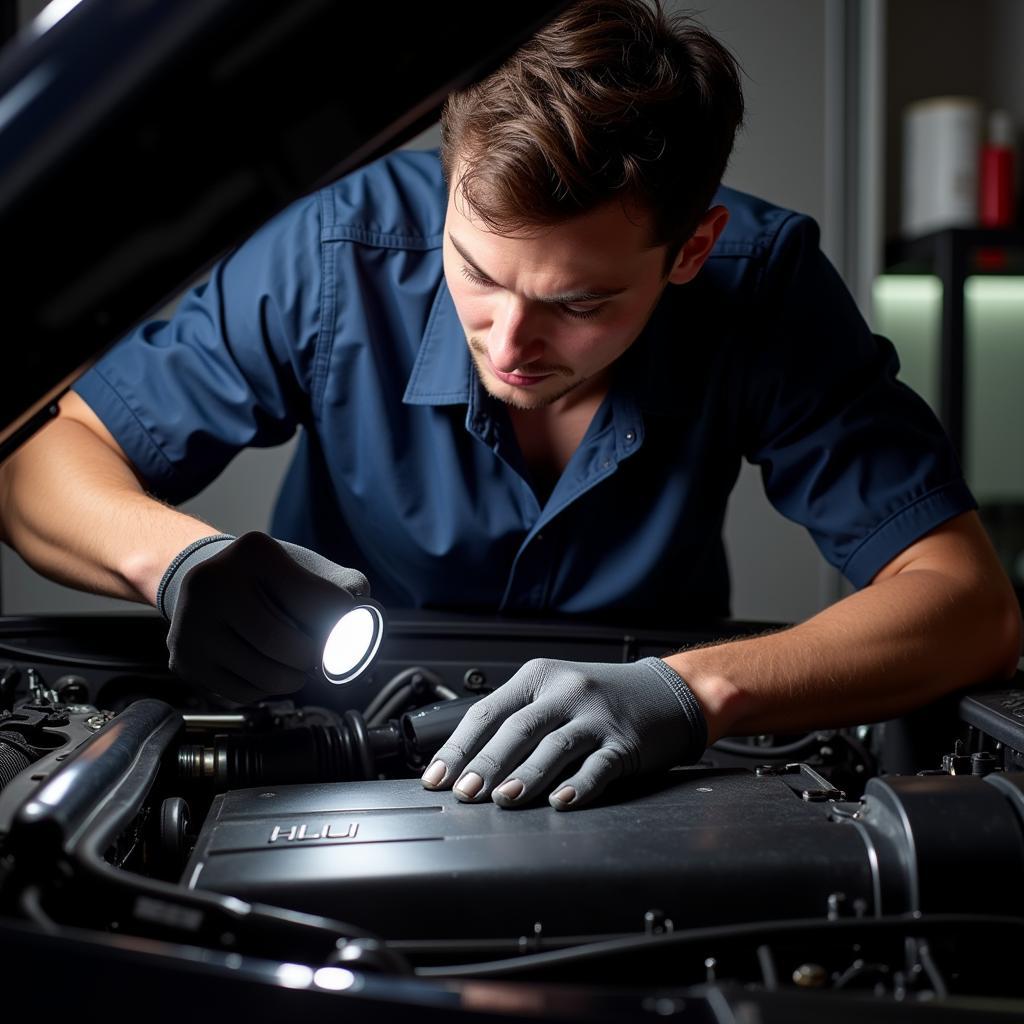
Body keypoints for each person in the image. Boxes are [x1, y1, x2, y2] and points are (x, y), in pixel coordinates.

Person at [0, 1, 1019, 811]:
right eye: (476, 272)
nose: (510, 339)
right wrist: (173, 561)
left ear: (691, 252)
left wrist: (694, 691)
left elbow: (967, 604)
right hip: (325, 733)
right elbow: (46, 460)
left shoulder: (762, 284)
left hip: (643, 771)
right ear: (451, 186)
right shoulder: (332, 252)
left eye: (579, 303)